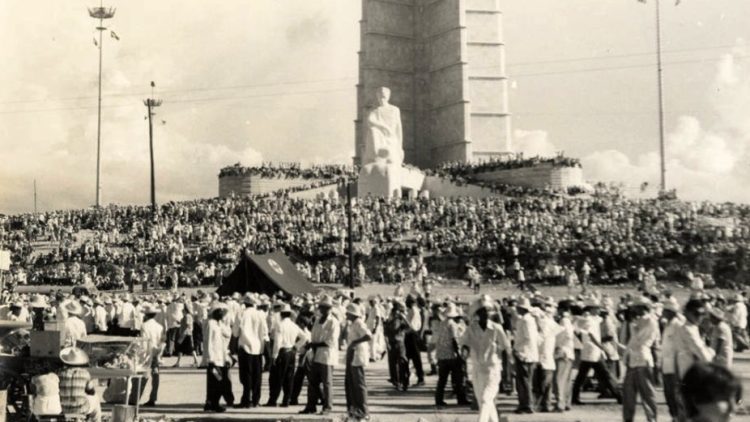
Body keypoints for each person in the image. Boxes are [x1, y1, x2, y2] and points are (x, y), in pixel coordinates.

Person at [460, 296, 511, 422]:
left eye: (488, 310)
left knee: (485, 399)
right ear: (478, 313)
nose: (486, 313)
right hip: (477, 370)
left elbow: (506, 349)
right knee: (485, 403)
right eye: (483, 311)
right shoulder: (472, 328)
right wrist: (464, 353)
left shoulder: (496, 328)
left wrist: (507, 374)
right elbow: (465, 343)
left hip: (492, 370)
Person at [571, 299, 622, 404]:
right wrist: (600, 346)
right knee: (605, 374)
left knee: (583, 375)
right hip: (592, 350)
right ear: (592, 309)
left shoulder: (593, 319)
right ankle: (619, 396)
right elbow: (591, 334)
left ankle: (574, 397)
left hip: (591, 350)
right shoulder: (589, 320)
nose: (599, 310)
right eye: (597, 308)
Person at [622, 297, 660, 422]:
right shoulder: (638, 321)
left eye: (636, 307)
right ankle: (628, 418)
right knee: (628, 394)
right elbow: (631, 342)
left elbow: (639, 339)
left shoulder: (650, 320)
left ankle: (652, 418)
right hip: (633, 360)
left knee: (647, 394)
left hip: (643, 359)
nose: (633, 309)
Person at [299, 296, 340, 415]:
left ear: (329, 309)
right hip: (316, 354)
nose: (322, 310)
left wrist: (314, 344)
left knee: (327, 383)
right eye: (321, 307)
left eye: (325, 308)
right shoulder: (317, 320)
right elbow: (314, 336)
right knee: (312, 382)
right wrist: (312, 345)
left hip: (327, 356)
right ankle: (311, 406)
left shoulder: (333, 322)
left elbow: (331, 341)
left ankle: (327, 407)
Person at [233, 293, 269, 408]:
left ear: (245, 303)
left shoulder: (241, 314)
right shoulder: (260, 314)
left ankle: (246, 400)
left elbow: (235, 333)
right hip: (258, 348)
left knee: (246, 376)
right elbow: (264, 333)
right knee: (257, 376)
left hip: (245, 347)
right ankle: (256, 400)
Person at [266, 304, 302, 407]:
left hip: (282, 352)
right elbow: (304, 337)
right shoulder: (294, 326)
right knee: (289, 378)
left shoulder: (280, 325)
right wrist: (296, 346)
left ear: (281, 314)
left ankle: (272, 400)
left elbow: (278, 342)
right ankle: (286, 400)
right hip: (291, 352)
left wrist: (274, 356)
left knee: (276, 378)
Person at [434, 303, 468, 407]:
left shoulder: (442, 323)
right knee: (458, 378)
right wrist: (459, 354)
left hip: (441, 354)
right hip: (451, 355)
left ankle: (438, 399)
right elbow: (455, 340)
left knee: (442, 380)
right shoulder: (452, 324)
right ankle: (461, 399)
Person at [344, 303, 372, 421]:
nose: (346, 315)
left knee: (359, 383)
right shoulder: (353, 324)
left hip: (358, 355)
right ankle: (355, 409)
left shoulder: (359, 323)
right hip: (353, 354)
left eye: (348, 313)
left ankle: (363, 410)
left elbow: (368, 336)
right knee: (351, 382)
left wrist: (355, 342)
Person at [204, 302, 233, 412]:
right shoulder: (211, 324)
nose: (222, 314)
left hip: (220, 358)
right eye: (219, 312)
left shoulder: (218, 324)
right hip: (214, 359)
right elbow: (209, 342)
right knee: (217, 381)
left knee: (215, 382)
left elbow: (227, 335)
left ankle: (210, 403)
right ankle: (214, 404)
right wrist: (210, 358)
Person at [676, 299, 716, 380]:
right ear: (687, 313)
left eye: (702, 314)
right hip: (691, 373)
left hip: (693, 372)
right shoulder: (687, 330)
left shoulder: (694, 328)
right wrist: (711, 352)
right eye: (696, 314)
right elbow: (705, 356)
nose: (700, 317)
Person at [661, 296, 686, 422]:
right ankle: (674, 417)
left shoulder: (678, 325)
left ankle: (679, 418)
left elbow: (680, 348)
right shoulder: (667, 325)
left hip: (675, 367)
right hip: (666, 365)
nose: (662, 313)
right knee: (668, 394)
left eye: (665, 310)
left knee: (676, 396)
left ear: (671, 312)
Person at [513, 297, 539, 414]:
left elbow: (528, 338)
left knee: (524, 381)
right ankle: (524, 403)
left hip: (525, 354)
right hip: (528, 353)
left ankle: (527, 405)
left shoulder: (525, 320)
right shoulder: (529, 320)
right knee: (524, 380)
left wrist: (520, 351)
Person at [58, 347, 99, 421]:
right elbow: (92, 392)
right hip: (81, 408)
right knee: (96, 399)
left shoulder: (59, 373)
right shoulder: (85, 373)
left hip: (62, 408)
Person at [140, 303, 165, 407]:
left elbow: (143, 341)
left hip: (147, 352)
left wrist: (143, 355)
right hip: (156, 352)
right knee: (155, 376)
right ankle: (153, 398)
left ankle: (136, 397)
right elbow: (162, 341)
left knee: (143, 376)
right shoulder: (159, 326)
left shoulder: (144, 326)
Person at [384, 300, 410, 391]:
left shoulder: (400, 319)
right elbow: (385, 333)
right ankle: (397, 382)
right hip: (392, 343)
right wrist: (387, 344)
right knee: (393, 364)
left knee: (402, 363)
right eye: (394, 311)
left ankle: (404, 382)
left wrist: (404, 318)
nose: (395, 312)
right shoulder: (390, 320)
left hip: (399, 343)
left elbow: (409, 327)